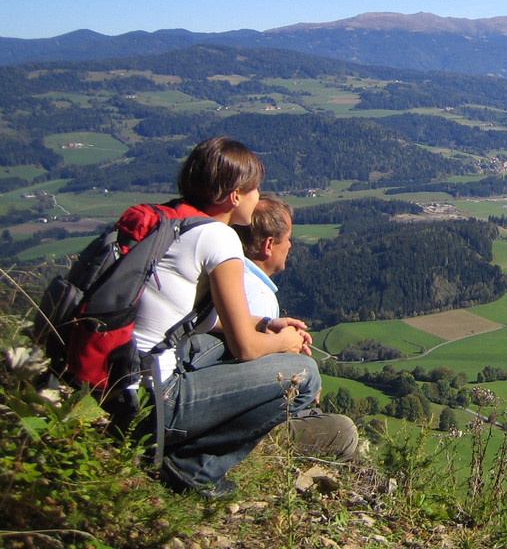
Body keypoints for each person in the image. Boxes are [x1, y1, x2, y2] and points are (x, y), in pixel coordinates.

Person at [132, 136, 321, 498]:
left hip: (119, 385)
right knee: (304, 374)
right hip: (156, 401)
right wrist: (285, 342)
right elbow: (246, 349)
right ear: (235, 195)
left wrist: (265, 323)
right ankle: (191, 467)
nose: (257, 197)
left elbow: (199, 321)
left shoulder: (171, 221)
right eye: (254, 189)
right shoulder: (219, 239)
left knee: (216, 345)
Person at [229, 194, 360, 460]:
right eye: (287, 238)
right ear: (268, 245)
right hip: (242, 426)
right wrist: (300, 380)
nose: (289, 245)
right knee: (343, 431)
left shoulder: (228, 277)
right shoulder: (258, 297)